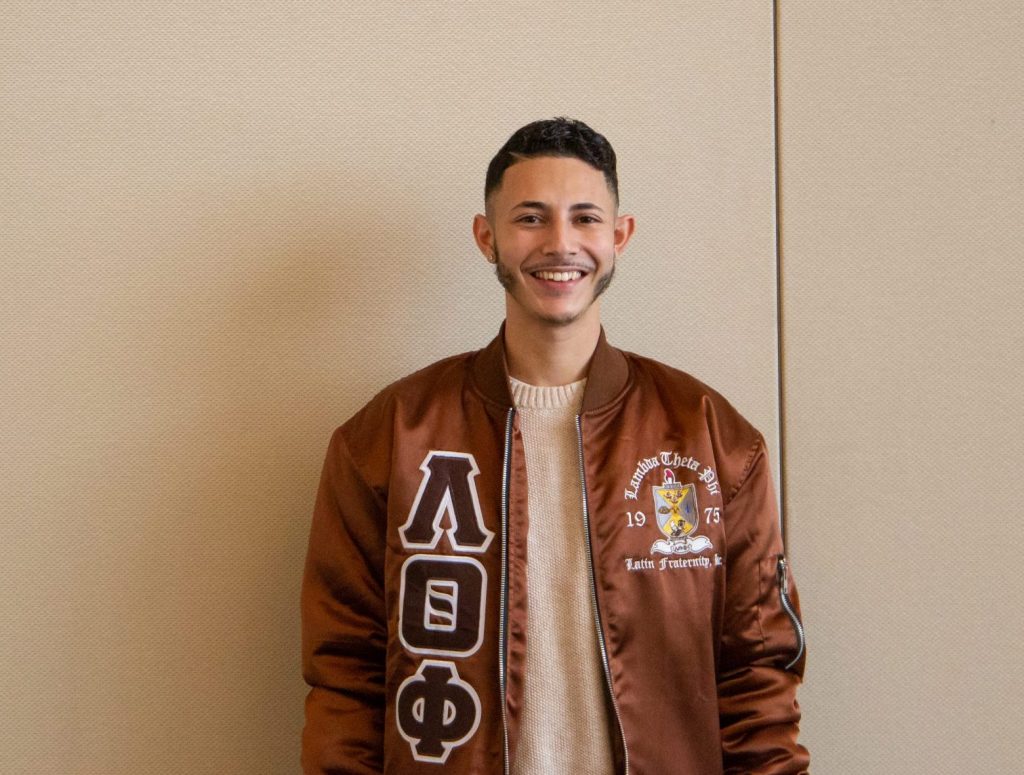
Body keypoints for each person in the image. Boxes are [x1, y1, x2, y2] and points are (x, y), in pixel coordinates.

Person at [301, 118, 809, 774]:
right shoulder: (388, 438)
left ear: (619, 236)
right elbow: (347, 677)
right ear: (487, 238)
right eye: (531, 218)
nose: (561, 243)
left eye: (586, 218)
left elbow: (757, 676)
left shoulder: (712, 438)